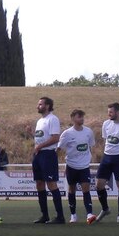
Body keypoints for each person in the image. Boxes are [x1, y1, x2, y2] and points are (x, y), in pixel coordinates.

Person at [57, 109, 97, 224]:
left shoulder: (88, 132)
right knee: (72, 190)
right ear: (73, 118)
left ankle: (89, 214)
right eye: (79, 117)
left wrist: (89, 158)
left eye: (82, 116)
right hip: (71, 166)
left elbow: (91, 146)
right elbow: (59, 148)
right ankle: (73, 215)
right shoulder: (67, 134)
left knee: (86, 189)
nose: (82, 119)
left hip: (84, 166)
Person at [32, 96, 66, 224]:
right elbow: (40, 137)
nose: (38, 106)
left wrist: (40, 146)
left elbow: (55, 138)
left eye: (40, 104)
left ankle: (60, 216)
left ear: (47, 106)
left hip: (48, 154)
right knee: (39, 183)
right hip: (38, 155)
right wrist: (32, 135)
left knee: (51, 184)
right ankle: (44, 215)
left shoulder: (53, 119)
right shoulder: (40, 121)